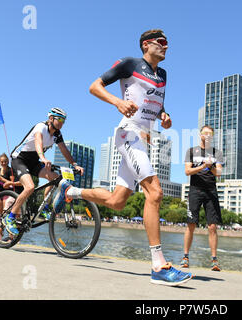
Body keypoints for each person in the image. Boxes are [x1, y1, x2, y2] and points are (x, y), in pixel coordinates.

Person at [52, 29, 192, 286]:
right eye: (161, 42)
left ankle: (70, 192)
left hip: (143, 139)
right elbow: (94, 86)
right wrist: (117, 102)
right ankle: (158, 266)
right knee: (156, 193)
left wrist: (164, 115)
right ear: (146, 45)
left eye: (167, 43)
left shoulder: (163, 74)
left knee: (117, 202)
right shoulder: (129, 63)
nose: (166, 46)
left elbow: (155, 102)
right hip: (128, 134)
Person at [2, 108, 84, 236]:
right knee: (30, 187)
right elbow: (38, 144)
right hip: (20, 159)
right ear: (51, 118)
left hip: (34, 162)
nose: (62, 123)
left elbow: (64, 150)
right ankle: (10, 217)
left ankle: (45, 208)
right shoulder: (40, 127)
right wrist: (43, 158)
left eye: (64, 121)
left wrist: (75, 164)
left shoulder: (57, 134)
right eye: (60, 120)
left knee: (56, 178)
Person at [181, 125, 224, 271]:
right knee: (191, 224)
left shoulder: (217, 153)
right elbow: (187, 171)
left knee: (212, 226)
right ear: (200, 135)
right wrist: (202, 166)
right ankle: (185, 257)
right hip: (195, 190)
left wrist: (211, 166)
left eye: (210, 134)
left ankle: (214, 260)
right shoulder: (191, 151)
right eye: (205, 133)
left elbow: (218, 172)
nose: (208, 136)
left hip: (211, 191)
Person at [0, 153, 24, 241]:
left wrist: (2, 179)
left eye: (5, 161)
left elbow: (11, 183)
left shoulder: (10, 170)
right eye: (2, 161)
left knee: (7, 214)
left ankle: (10, 237)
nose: (3, 163)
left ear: (8, 161)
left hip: (8, 193)